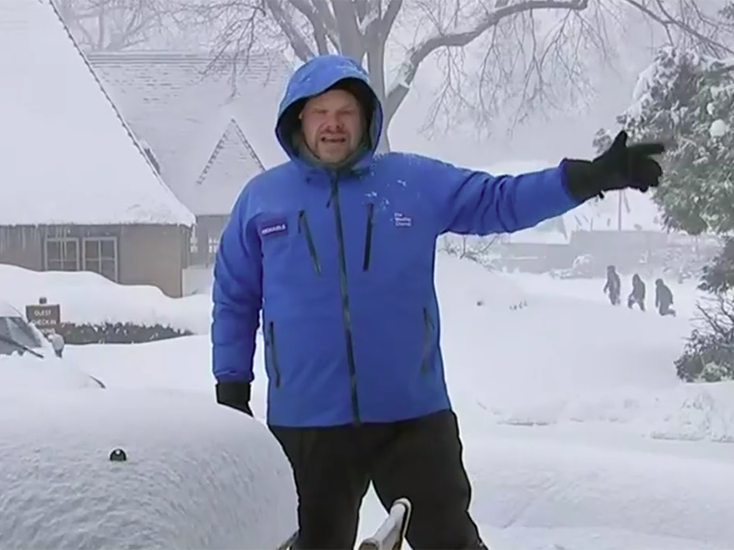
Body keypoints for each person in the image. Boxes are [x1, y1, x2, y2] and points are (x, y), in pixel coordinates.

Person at [210, 54, 664, 550]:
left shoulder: (411, 183)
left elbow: (497, 199)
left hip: (411, 415)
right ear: (299, 118)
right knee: (308, 544)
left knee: (451, 543)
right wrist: (232, 389)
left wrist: (583, 180)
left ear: (366, 119)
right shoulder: (262, 199)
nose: (333, 124)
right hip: (306, 421)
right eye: (321, 112)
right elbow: (235, 298)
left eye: (345, 112)